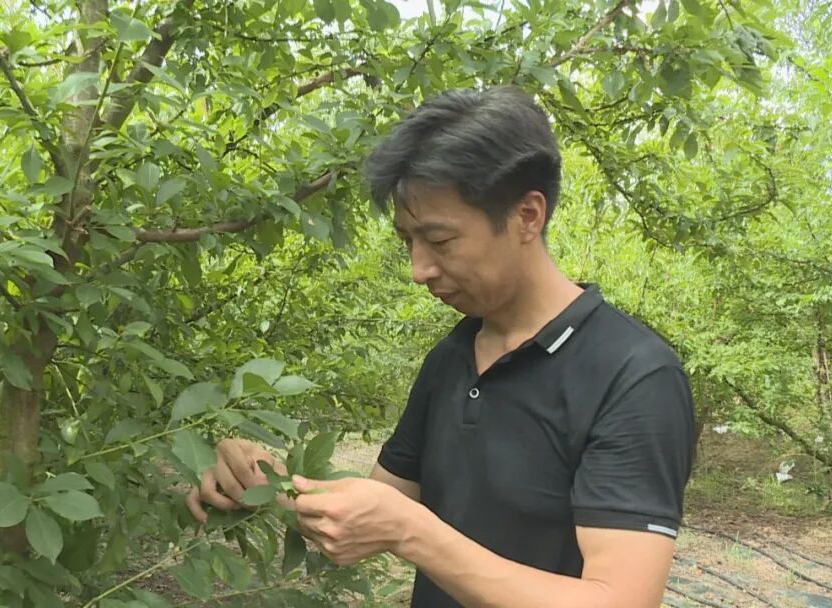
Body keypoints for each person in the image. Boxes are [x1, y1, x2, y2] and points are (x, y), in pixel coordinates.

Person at [186, 86, 696, 608]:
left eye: (440, 240)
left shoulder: (633, 376)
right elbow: (377, 508)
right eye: (407, 241)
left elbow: (620, 600)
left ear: (527, 215)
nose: (418, 269)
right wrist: (264, 481)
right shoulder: (454, 355)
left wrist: (413, 532)